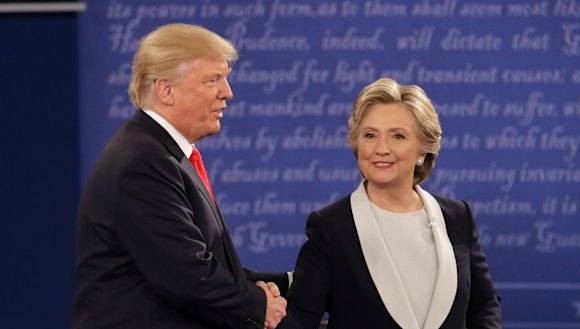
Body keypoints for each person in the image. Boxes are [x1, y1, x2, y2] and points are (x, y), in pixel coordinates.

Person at [71, 23, 288, 329]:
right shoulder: (144, 163)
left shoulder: (160, 153)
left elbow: (209, 265)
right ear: (166, 90)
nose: (228, 93)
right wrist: (258, 305)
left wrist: (289, 285)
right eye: (213, 80)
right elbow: (187, 277)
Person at [280, 78, 502, 329]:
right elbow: (301, 317)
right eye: (370, 135)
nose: (381, 148)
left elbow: (484, 303)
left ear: (422, 150)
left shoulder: (457, 216)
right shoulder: (330, 227)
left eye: (398, 136)